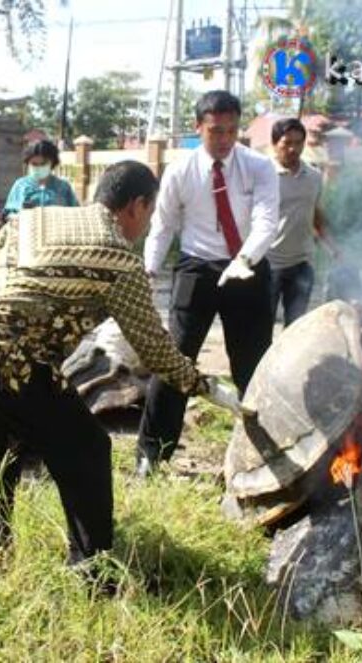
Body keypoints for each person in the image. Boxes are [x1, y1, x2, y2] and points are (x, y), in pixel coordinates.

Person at [0, 160, 212, 570]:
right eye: (148, 214)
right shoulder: (119, 257)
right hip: (9, 357)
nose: (146, 225)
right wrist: (200, 384)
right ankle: (92, 567)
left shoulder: (39, 217)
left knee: (1, 443)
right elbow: (154, 349)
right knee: (87, 449)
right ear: (136, 205)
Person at [137, 90, 280, 476]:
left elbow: (267, 221)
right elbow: (163, 226)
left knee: (253, 364)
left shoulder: (259, 168)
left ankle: (263, 451)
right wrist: (149, 271)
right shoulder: (180, 171)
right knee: (175, 361)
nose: (224, 139)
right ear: (198, 127)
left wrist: (246, 259)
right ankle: (151, 455)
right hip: (197, 268)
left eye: (232, 131)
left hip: (247, 269)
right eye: (216, 131)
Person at [267, 118, 336, 327]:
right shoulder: (264, 176)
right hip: (268, 264)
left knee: (296, 327)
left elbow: (315, 214)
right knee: (261, 325)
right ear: (274, 144)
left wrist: (332, 246)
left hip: (302, 264)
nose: (293, 148)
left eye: (298, 143)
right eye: (287, 143)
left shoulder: (314, 177)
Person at [2, 139, 79, 220]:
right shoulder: (21, 185)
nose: (39, 167)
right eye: (34, 164)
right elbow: (7, 214)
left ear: (52, 163)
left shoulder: (63, 187)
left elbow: (76, 213)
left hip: (57, 231)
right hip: (28, 230)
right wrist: (19, 218)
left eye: (43, 164)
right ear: (28, 163)